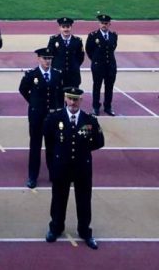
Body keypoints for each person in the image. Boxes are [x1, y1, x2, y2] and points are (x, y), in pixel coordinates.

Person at [43, 87, 104, 250]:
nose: (73, 102)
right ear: (65, 99)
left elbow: (99, 141)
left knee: (84, 201)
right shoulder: (54, 118)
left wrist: (83, 150)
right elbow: (49, 142)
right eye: (70, 99)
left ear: (81, 101)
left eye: (76, 99)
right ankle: (55, 228)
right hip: (61, 166)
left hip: (82, 167)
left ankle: (85, 231)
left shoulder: (89, 120)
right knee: (58, 199)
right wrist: (55, 161)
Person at [18, 48, 64, 189]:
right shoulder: (32, 75)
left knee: (52, 146)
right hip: (37, 116)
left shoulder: (57, 74)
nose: (47, 61)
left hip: (52, 117)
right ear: (39, 59)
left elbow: (60, 94)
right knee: (35, 147)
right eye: (45, 58)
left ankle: (53, 174)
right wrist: (33, 102)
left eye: (50, 58)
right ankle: (33, 176)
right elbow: (23, 89)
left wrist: (58, 110)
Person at [85, 14, 118, 116]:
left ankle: (108, 107)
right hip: (98, 65)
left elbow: (112, 48)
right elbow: (89, 50)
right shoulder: (93, 36)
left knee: (109, 87)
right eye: (102, 23)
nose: (104, 25)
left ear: (109, 24)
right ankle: (95, 107)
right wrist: (95, 60)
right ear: (99, 24)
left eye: (106, 23)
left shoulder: (113, 35)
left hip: (110, 66)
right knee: (97, 87)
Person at [47, 17, 85, 88]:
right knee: (58, 97)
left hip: (73, 74)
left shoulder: (77, 41)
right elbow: (50, 55)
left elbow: (81, 57)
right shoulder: (53, 40)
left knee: (73, 96)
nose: (66, 29)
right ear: (60, 28)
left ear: (71, 27)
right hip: (58, 74)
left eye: (68, 27)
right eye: (63, 27)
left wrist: (75, 66)